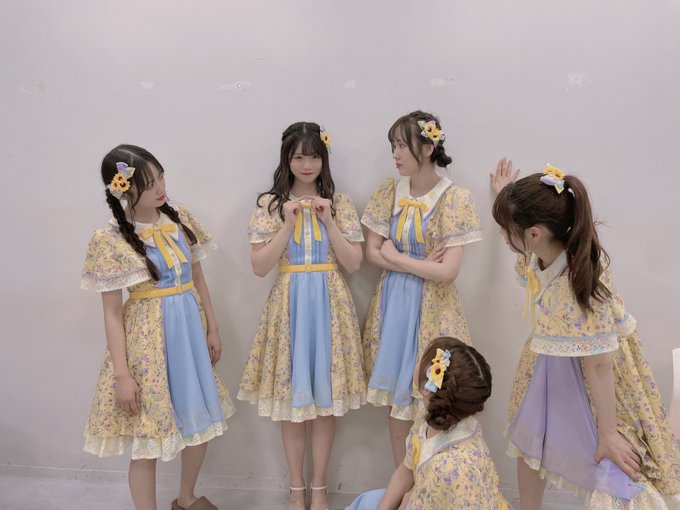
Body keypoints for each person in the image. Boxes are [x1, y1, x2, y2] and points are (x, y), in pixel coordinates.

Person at [491, 159, 680, 509]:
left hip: (595, 374)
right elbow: (524, 242)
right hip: (550, 361)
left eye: (507, 230)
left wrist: (608, 434)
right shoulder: (539, 251)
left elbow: (600, 364)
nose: (504, 236)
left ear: (534, 233)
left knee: (615, 463)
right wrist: (505, 197)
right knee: (532, 439)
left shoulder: (580, 281)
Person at [81, 144, 234, 510]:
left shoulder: (180, 218)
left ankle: (186, 498)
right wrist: (122, 375)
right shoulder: (109, 238)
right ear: (123, 189)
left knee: (199, 424)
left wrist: (213, 328)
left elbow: (198, 277)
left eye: (161, 177)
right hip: (148, 347)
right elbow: (112, 313)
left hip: (190, 337)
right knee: (146, 439)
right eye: (149, 183)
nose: (160, 188)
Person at [238, 122, 366, 510]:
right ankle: (296, 490)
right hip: (289, 305)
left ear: (323, 159)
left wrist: (329, 221)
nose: (306, 164)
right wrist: (289, 223)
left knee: (325, 402)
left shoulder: (339, 203)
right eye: (298, 157)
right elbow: (259, 266)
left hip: (330, 305)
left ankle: (320, 488)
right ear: (287, 159)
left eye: (313, 156)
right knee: (293, 403)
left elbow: (354, 263)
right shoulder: (270, 204)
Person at [362, 110, 482, 465]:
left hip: (433, 307)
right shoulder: (388, 191)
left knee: (434, 395)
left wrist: (396, 258)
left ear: (428, 148)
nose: (396, 154)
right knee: (398, 402)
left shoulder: (454, 198)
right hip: (394, 306)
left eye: (403, 146)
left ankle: (434, 480)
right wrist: (422, 264)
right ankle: (403, 481)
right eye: (394, 146)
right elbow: (372, 253)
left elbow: (448, 273)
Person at [345, 337, 510, 510]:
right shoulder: (429, 417)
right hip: (421, 497)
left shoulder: (451, 466)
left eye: (422, 358)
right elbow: (406, 470)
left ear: (428, 387)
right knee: (367, 501)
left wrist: (408, 498)